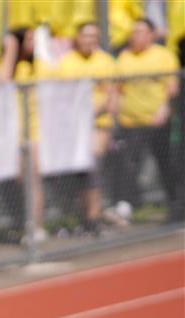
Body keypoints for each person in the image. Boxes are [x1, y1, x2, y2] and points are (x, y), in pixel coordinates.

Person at [114, 18, 182, 222]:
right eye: (134, 32)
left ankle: (176, 205)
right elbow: (118, 89)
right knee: (129, 163)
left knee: (164, 163)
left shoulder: (164, 56)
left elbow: (172, 88)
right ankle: (125, 206)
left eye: (141, 31)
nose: (136, 36)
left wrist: (162, 112)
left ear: (152, 34)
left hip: (157, 121)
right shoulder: (125, 57)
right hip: (131, 122)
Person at [55, 21, 118, 234]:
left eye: (93, 36)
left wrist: (91, 111)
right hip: (74, 126)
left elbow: (110, 94)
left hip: (98, 123)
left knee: (92, 168)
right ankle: (85, 217)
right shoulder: (67, 62)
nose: (88, 40)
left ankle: (93, 219)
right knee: (80, 174)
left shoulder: (105, 61)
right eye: (85, 36)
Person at [0, 27, 49, 243]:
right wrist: (11, 49)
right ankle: (24, 223)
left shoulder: (37, 66)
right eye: (27, 38)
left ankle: (36, 227)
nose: (32, 43)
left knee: (32, 180)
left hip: (33, 131)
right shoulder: (8, 64)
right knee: (20, 182)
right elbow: (3, 79)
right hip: (11, 134)